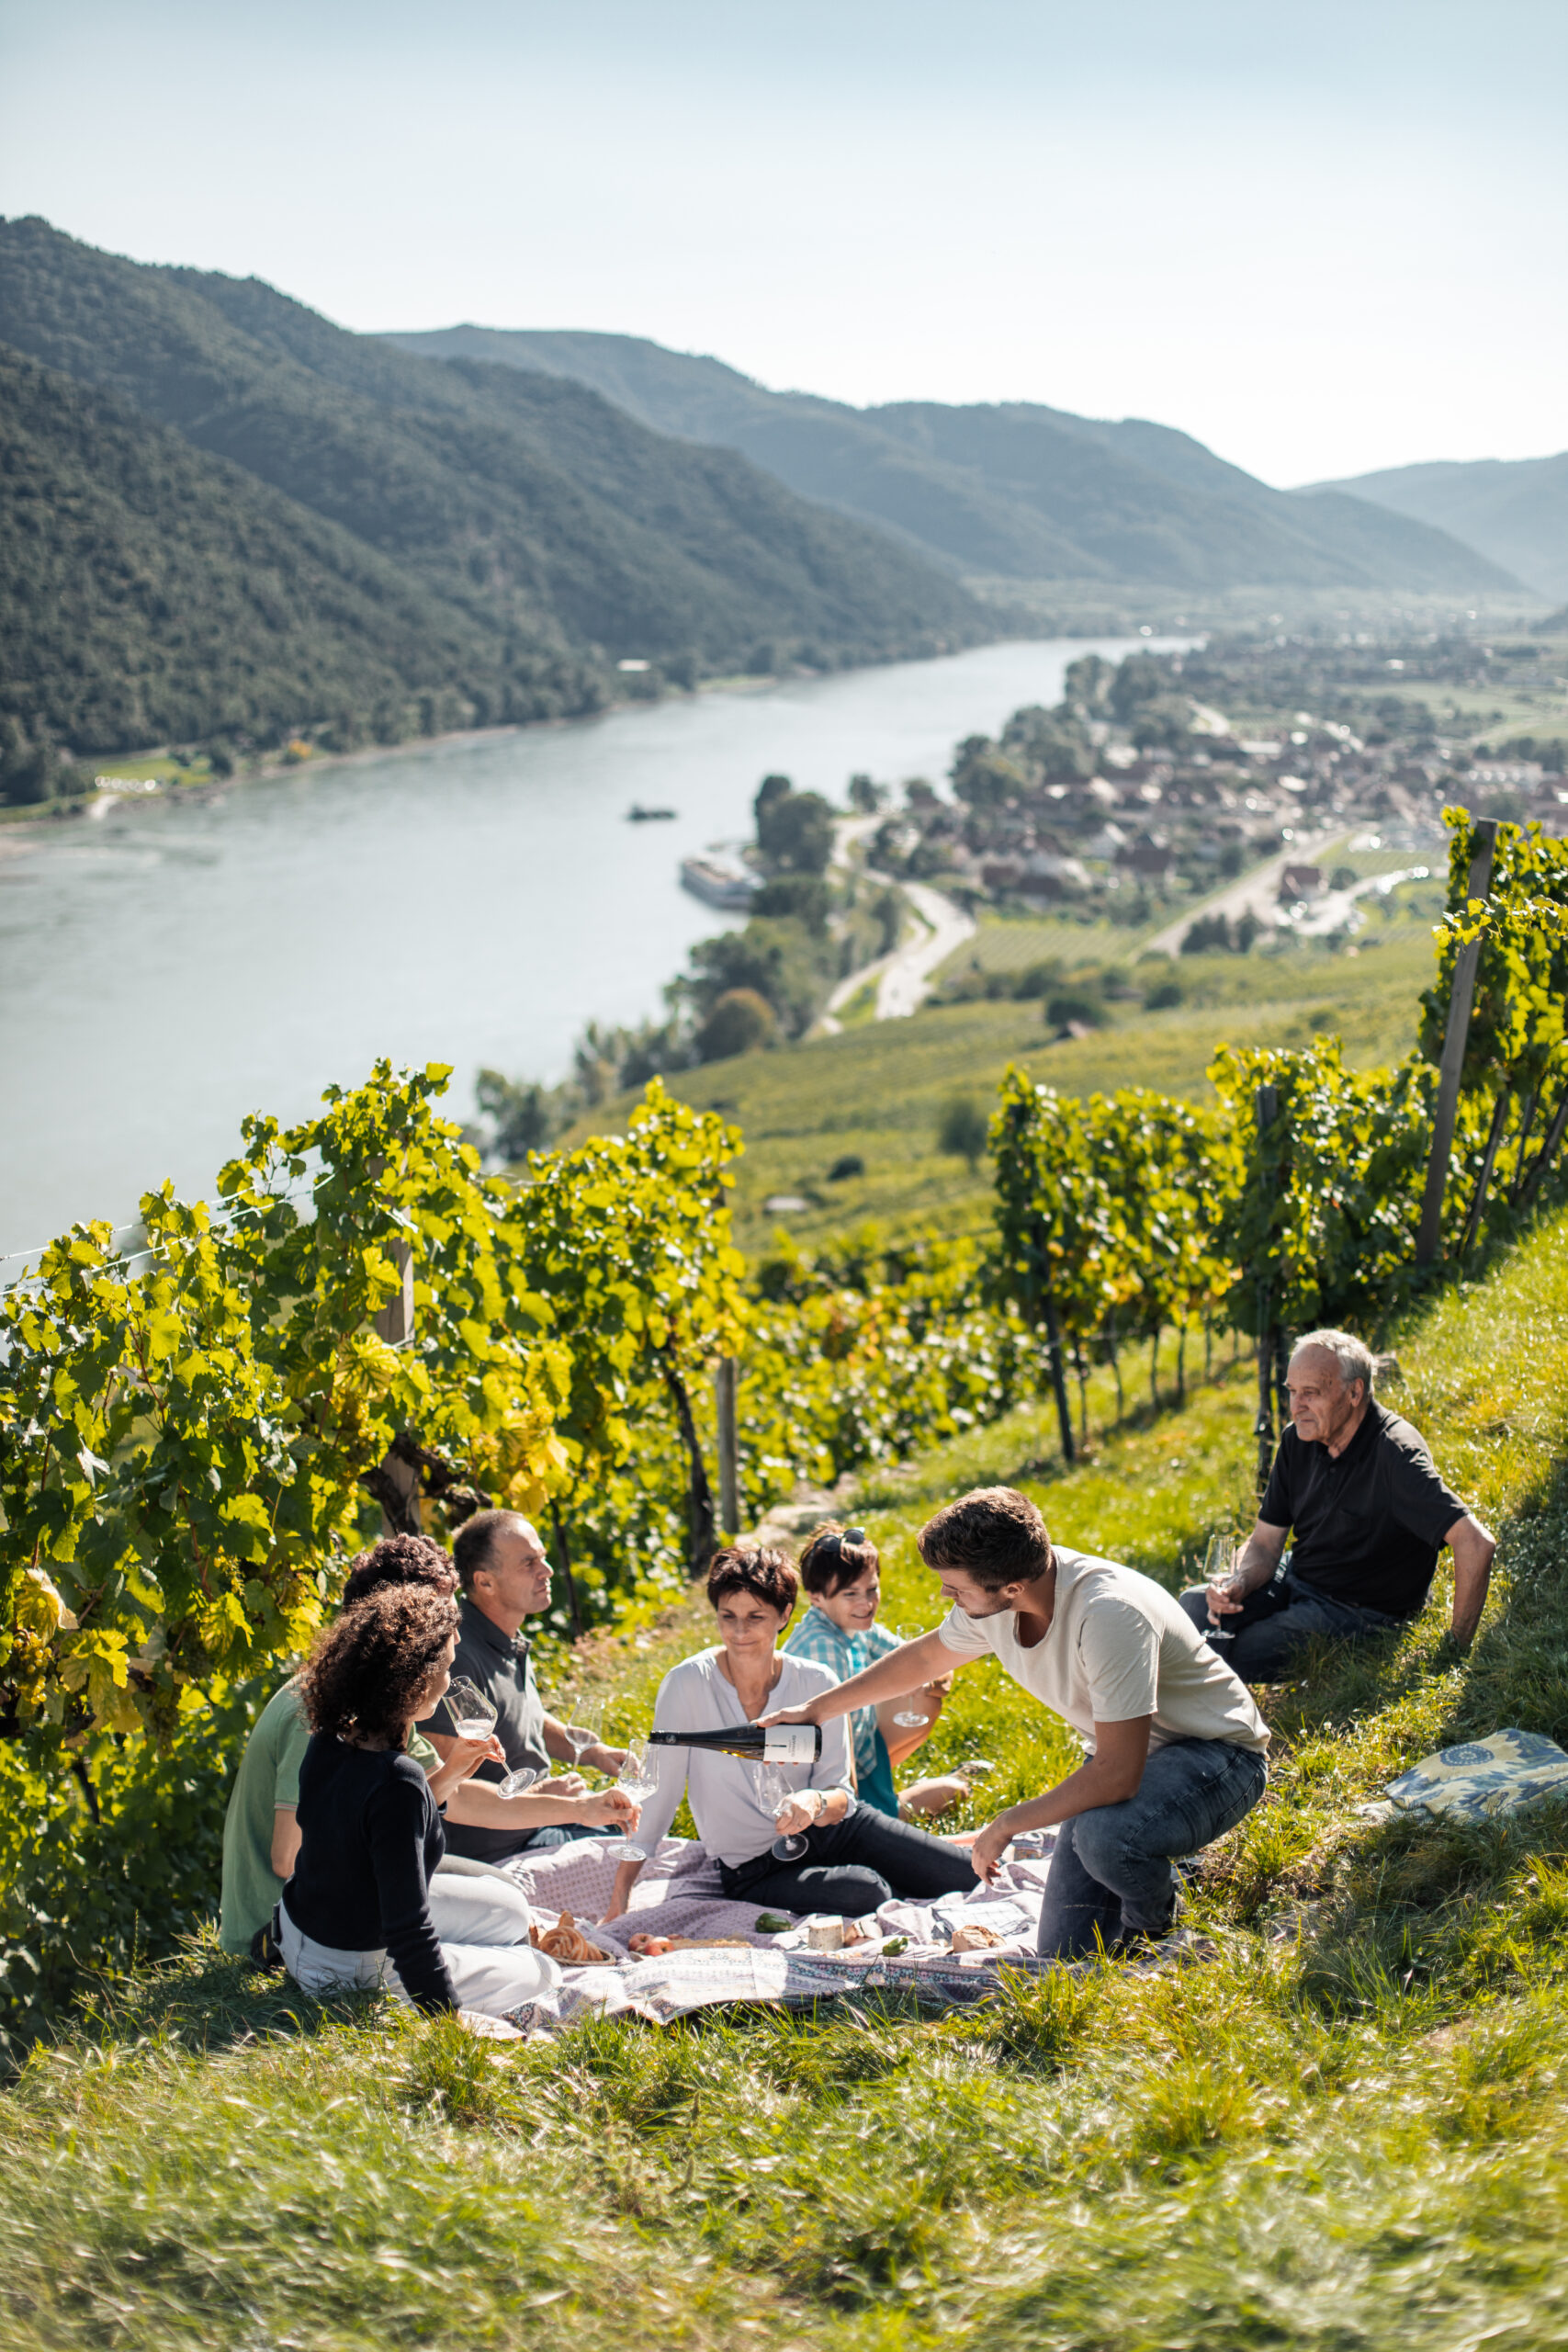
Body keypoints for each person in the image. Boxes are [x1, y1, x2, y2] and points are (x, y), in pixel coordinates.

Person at [762, 1487, 1269, 1961]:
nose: (944, 1595)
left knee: (1104, 1839)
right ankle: (1153, 1872)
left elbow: (1118, 1774)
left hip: (1219, 1757)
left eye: (955, 1587)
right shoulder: (998, 1603)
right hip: (1137, 1763)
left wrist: (1007, 1823)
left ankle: (1158, 1930)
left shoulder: (1109, 1613)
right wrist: (816, 1710)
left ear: (1010, 1587)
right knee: (1064, 1953)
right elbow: (923, 1660)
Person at [219, 1532, 631, 1959]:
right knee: (503, 1916)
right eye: (446, 1622)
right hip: (287, 1933)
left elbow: (459, 1802)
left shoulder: (383, 1696)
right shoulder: (319, 1712)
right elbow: (291, 1858)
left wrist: (582, 1809)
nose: (456, 1638)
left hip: (341, 1901)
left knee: (506, 1894)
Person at [603, 1544, 978, 1923]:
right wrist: (621, 1895)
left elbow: (841, 1793)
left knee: (967, 1873)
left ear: (783, 1614)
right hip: (754, 1867)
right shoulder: (687, 1685)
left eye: (755, 1617)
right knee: (867, 1890)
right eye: (727, 1616)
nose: (738, 1631)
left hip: (835, 1830)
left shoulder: (816, 1681)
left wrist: (813, 1802)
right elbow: (659, 1795)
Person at [280, 1581, 575, 2018]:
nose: (450, 1683)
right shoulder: (398, 1780)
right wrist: (448, 2025)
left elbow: (372, 1830)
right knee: (541, 1971)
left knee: (513, 1912)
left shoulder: (331, 1738)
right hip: (348, 1965)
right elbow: (409, 1931)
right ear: (414, 1680)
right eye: (446, 1670)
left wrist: (449, 1773)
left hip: (305, 1924)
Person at [1179, 1329, 1497, 1681]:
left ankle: (1213, 1718)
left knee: (1226, 1650)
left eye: (1310, 1394)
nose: (1296, 1406)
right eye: (1292, 1392)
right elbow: (1266, 1544)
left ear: (1354, 1392)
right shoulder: (1298, 1439)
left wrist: (1455, 1649)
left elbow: (1476, 1544)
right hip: (1299, 1574)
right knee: (1191, 1609)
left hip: (1357, 1609)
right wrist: (1239, 1582)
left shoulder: (1395, 1454)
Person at [427, 1510, 632, 1864]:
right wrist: (545, 1798)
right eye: (529, 1563)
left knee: (639, 1824)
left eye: (544, 1557)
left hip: (543, 1823)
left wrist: (594, 1752)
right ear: (485, 1582)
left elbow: (523, 1719)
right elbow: (446, 1786)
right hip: (502, 1852)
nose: (548, 1570)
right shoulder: (457, 1657)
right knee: (636, 1855)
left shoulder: (508, 1636)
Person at [784, 1521, 964, 1818]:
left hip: (866, 1754)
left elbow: (915, 1656)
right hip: (835, 1775)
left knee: (927, 1695)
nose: (866, 1603)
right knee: (953, 1794)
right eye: (850, 1594)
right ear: (816, 1598)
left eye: (872, 1589)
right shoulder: (823, 1647)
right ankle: (888, 1807)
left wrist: (927, 1679)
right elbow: (837, 1743)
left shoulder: (852, 1624)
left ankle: (891, 1799)